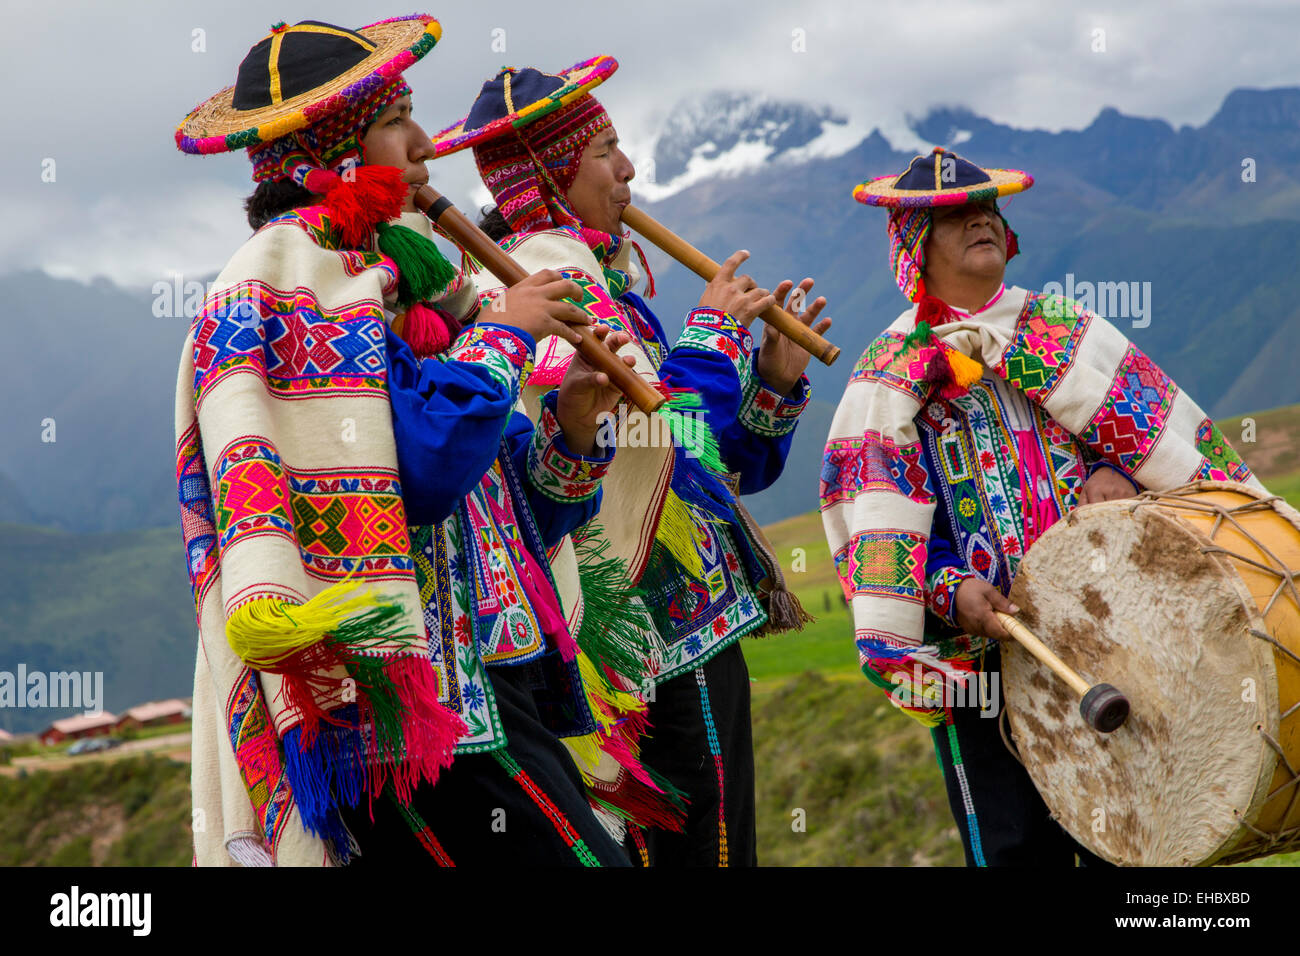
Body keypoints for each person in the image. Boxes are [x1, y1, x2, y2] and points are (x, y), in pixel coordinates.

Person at [175, 15, 639, 866]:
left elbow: (509, 517)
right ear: (337, 156)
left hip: (497, 681)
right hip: (406, 715)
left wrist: (571, 433)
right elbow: (423, 477)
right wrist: (502, 336)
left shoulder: (402, 286)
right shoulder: (285, 290)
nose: (425, 146)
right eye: (396, 122)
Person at [427, 57, 832, 865]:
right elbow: (653, 436)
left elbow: (718, 475)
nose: (629, 170)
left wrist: (774, 385)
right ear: (548, 172)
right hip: (642, 643)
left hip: (680, 630)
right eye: (605, 151)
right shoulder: (544, 278)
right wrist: (714, 332)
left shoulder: (597, 277)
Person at [821, 147, 1263, 866]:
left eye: (988, 210)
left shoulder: (1067, 332)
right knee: (1014, 845)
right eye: (955, 217)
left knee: (1139, 834)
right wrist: (949, 584)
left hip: (1116, 632)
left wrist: (1114, 472)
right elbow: (878, 515)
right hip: (988, 659)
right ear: (914, 248)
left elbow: (1161, 443)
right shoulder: (888, 377)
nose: (981, 222)